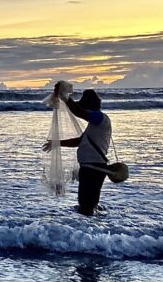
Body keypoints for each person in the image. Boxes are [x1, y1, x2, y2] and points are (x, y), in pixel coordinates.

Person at [42, 85, 112, 216]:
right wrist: (57, 143)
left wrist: (65, 97)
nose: (83, 109)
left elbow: (78, 112)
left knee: (87, 204)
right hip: (89, 167)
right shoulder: (94, 125)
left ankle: (89, 231)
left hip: (94, 168)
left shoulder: (100, 118)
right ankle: (90, 228)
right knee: (87, 203)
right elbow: (80, 141)